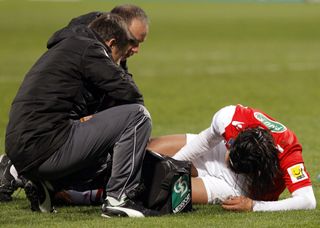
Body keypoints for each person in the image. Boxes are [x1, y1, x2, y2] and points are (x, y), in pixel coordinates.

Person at [4, 13, 158, 218]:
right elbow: (131, 95)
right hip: (46, 146)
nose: (118, 61)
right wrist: (119, 68)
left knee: (105, 157)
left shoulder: (66, 46)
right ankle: (119, 199)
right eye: (119, 56)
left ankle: (47, 184)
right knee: (137, 116)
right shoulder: (90, 49)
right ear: (111, 43)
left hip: (22, 151)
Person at [148, 104, 317, 212]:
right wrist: (173, 164)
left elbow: (307, 201)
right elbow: (206, 140)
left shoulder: (289, 152)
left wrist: (254, 206)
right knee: (148, 148)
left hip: (238, 188)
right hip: (216, 152)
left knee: (161, 188)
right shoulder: (231, 118)